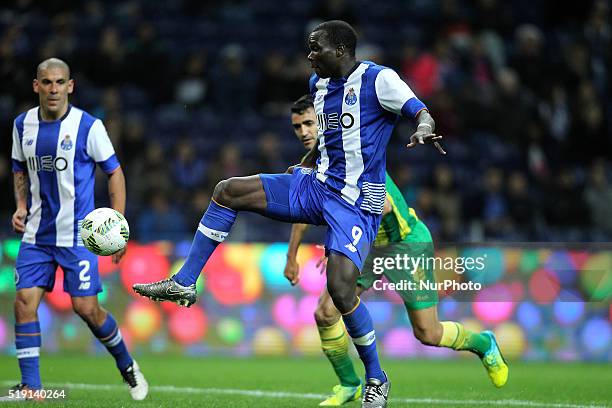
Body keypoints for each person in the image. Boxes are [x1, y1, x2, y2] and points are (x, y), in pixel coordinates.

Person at [134, 20, 441, 408]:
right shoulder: (319, 87)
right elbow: (331, 141)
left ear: (341, 51)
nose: (310, 56)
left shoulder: (379, 80)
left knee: (342, 289)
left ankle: (376, 378)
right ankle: (184, 281)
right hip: (316, 187)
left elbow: (419, 110)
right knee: (227, 191)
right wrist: (305, 163)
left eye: (317, 49)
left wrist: (425, 128)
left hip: (357, 201)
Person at [284, 96, 509, 406]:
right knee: (325, 312)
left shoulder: (351, 153)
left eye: (309, 123)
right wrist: (291, 255)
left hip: (404, 242)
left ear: (323, 122)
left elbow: (382, 206)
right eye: (297, 126)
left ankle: (484, 343)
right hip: (367, 245)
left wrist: (341, 241)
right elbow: (303, 207)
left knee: (428, 333)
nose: (304, 131)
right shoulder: (316, 164)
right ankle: (349, 384)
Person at [8, 58, 147, 400]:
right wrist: (22, 206)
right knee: (24, 302)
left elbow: (114, 172)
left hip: (77, 236)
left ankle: (127, 364)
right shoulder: (21, 125)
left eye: (59, 82)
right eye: (46, 82)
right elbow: (18, 169)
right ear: (35, 86)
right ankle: (32, 387)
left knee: (86, 309)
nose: (53, 89)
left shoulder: (88, 126)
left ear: (70, 86)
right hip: (37, 235)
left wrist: (117, 226)